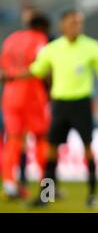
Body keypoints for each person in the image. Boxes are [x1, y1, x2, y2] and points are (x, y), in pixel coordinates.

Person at [6, 10, 98, 208]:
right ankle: (46, 196)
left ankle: (92, 195)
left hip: (82, 104)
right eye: (73, 22)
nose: (77, 26)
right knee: (51, 152)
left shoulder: (92, 47)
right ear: (62, 26)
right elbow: (35, 70)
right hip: (60, 105)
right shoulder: (52, 49)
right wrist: (11, 76)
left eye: (79, 23)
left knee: (88, 150)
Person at [0, 14, 51, 200]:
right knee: (40, 139)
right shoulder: (40, 40)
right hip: (32, 96)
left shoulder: (11, 39)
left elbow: (3, 71)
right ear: (44, 28)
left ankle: (9, 184)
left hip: (9, 96)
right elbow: (44, 67)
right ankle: (46, 188)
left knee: (12, 140)